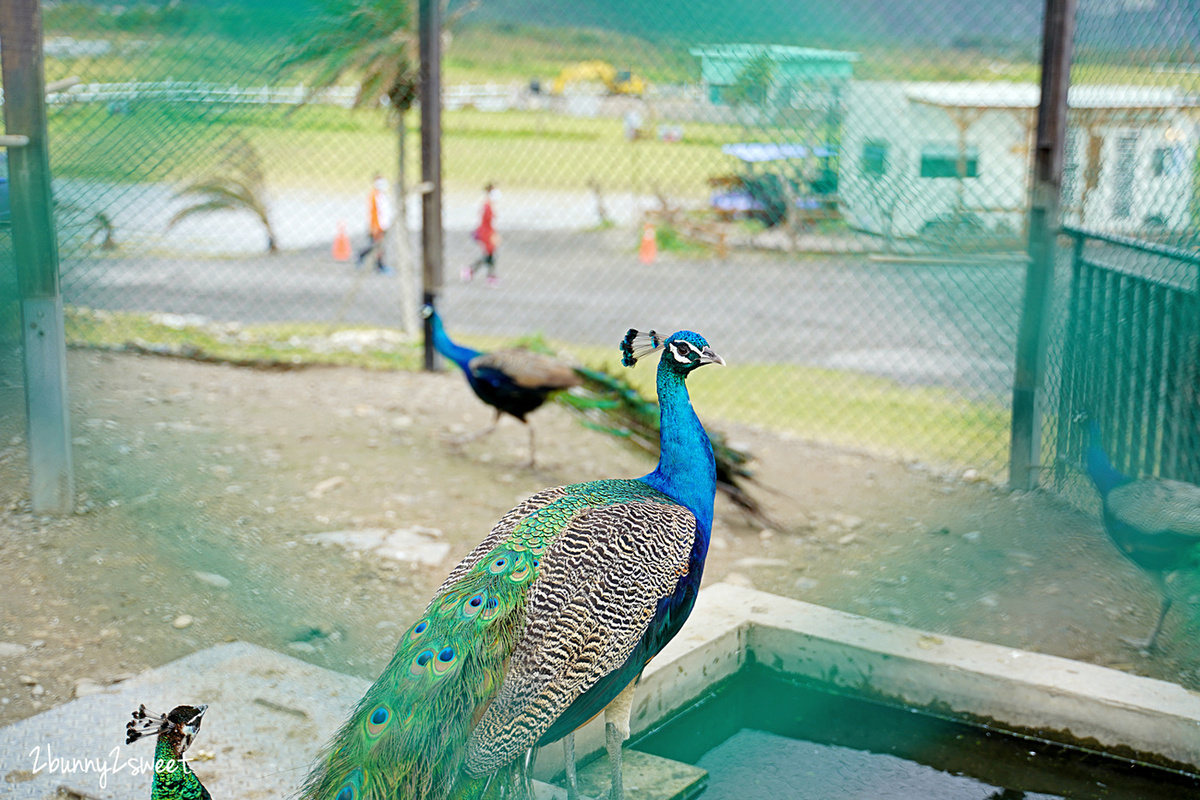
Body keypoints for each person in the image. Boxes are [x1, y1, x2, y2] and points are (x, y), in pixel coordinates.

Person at [462, 183, 500, 287]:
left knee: (489, 256)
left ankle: (478, 272)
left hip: (487, 232)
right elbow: (488, 223)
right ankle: (485, 275)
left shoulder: (488, 205)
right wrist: (492, 236)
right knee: (489, 255)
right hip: (486, 233)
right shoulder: (487, 206)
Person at [357, 173, 395, 274]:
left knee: (377, 246)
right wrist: (375, 227)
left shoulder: (382, 195)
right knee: (378, 246)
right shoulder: (374, 196)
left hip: (384, 225)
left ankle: (366, 258)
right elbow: (374, 213)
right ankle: (379, 265)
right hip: (377, 226)